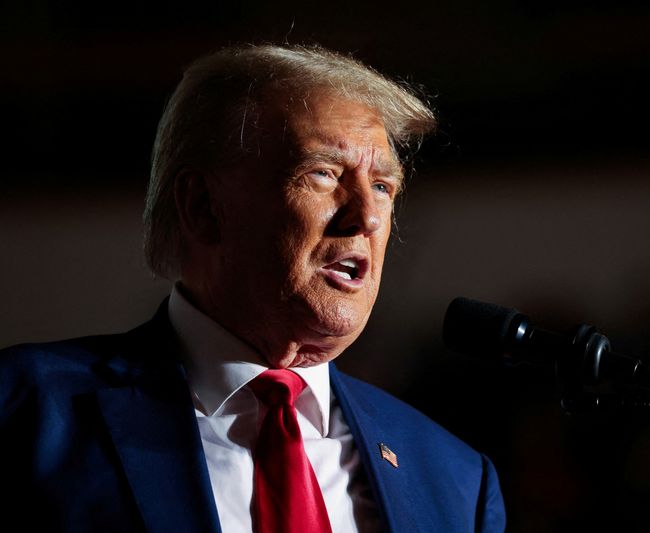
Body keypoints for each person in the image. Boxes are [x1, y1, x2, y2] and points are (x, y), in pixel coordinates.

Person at [0, 44, 505, 532]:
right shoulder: (26, 411)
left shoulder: (454, 478)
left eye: (381, 186)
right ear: (203, 207)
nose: (368, 217)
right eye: (323, 174)